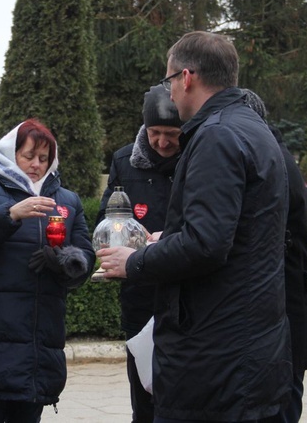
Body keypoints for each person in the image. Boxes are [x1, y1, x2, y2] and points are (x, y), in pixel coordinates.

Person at [98, 31, 291, 422]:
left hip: (217, 357)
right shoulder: (252, 129)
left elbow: (206, 243)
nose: (169, 93)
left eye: (169, 81)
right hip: (250, 346)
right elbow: (237, 233)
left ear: (186, 78)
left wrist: (135, 261)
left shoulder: (216, 135)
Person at [0, 118, 96, 422]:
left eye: (43, 158)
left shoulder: (66, 201)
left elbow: (85, 259)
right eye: (28, 156)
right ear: (10, 154)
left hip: (37, 343)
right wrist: (10, 214)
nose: (36, 165)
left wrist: (65, 260)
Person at [240, 89, 307, 423]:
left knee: (282, 404)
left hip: (285, 313)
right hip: (287, 309)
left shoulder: (271, 161)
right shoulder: (276, 155)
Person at [95, 85, 182, 423]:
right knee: (143, 392)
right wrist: (124, 237)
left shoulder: (197, 158)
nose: (162, 142)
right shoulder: (124, 161)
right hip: (140, 292)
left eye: (171, 135)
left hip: (183, 289)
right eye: (155, 133)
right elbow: (107, 217)